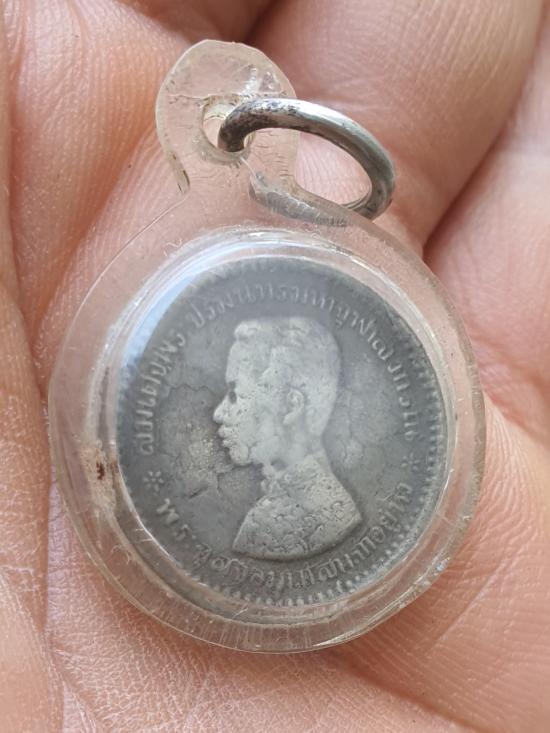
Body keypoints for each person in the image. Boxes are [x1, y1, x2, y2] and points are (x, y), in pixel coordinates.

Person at [1, 2, 549, 731]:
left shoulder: (320, 522)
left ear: (292, 402)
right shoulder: (271, 520)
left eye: (237, 392)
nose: (219, 409)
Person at [214, 317, 361, 560]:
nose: (219, 414)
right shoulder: (296, 504)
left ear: (291, 406)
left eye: (234, 395)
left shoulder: (290, 520)